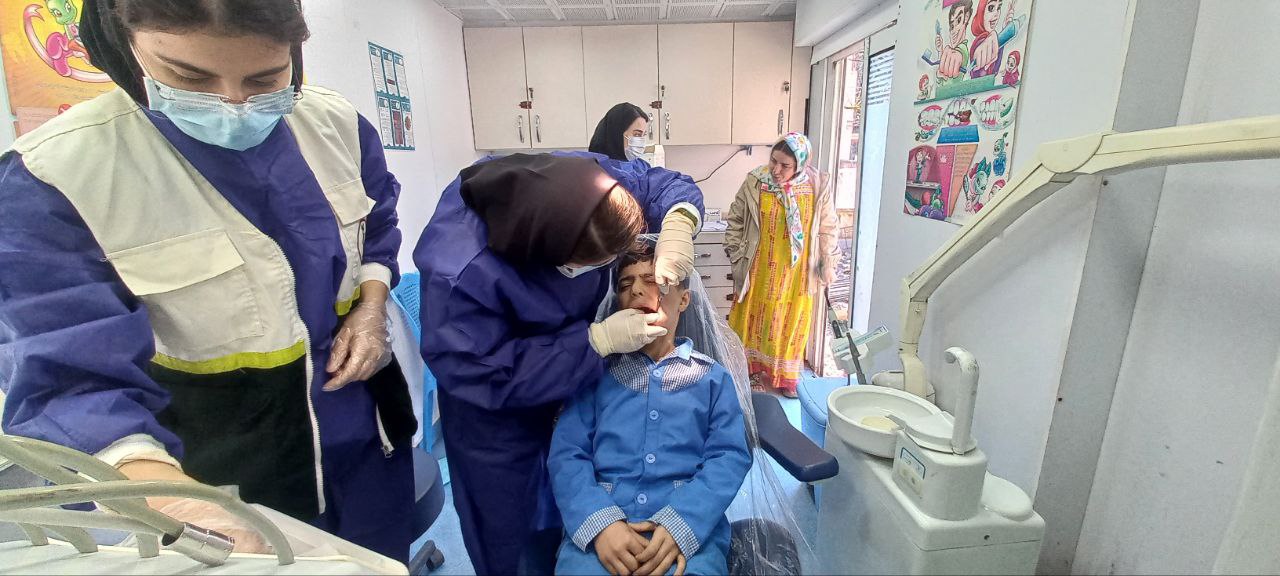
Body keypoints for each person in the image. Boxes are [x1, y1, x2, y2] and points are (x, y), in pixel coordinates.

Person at [0, 0, 416, 561]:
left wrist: (370, 307)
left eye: (265, 78)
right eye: (189, 78)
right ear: (123, 47)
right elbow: (65, 380)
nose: (234, 105)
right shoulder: (56, 175)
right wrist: (173, 500)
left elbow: (377, 226)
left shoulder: (333, 123)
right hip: (214, 470)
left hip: (365, 446)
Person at [414, 153, 704, 574]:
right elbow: (488, 373)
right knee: (516, 541)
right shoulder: (461, 274)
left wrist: (679, 219)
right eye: (622, 280)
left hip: (576, 384)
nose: (638, 293)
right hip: (496, 423)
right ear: (554, 258)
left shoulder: (593, 189)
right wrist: (596, 342)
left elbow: (661, 183)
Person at [549, 241, 751, 576]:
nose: (636, 290)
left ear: (684, 299)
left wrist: (682, 523)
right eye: (625, 284)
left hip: (688, 534)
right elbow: (567, 454)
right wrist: (600, 523)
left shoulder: (713, 380)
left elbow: (729, 457)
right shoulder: (596, 376)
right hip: (603, 533)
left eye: (653, 280)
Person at [725, 133, 838, 398]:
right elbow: (736, 219)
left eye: (785, 165)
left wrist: (828, 261)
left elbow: (828, 227)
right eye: (773, 161)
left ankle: (786, 377)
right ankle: (750, 372)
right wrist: (736, 253)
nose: (776, 170)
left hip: (798, 273)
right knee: (753, 319)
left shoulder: (817, 185)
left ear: (800, 164)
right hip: (759, 267)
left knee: (790, 323)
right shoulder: (755, 181)